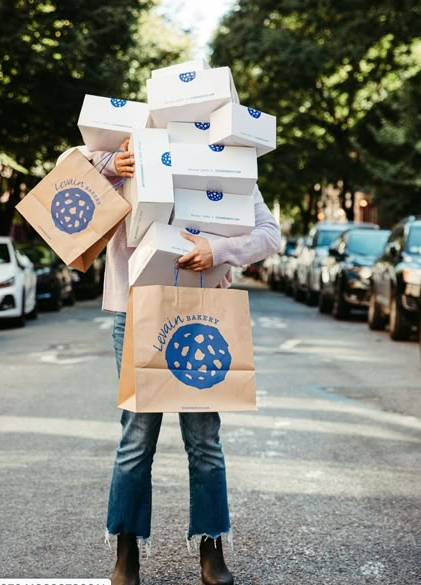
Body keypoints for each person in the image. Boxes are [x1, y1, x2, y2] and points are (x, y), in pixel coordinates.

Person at [58, 140, 280, 585]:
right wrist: (108, 163)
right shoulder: (133, 147)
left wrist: (218, 252)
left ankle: (211, 548)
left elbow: (269, 234)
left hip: (201, 310)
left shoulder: (224, 165)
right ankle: (127, 552)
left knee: (204, 439)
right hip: (134, 310)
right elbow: (64, 166)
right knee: (137, 437)